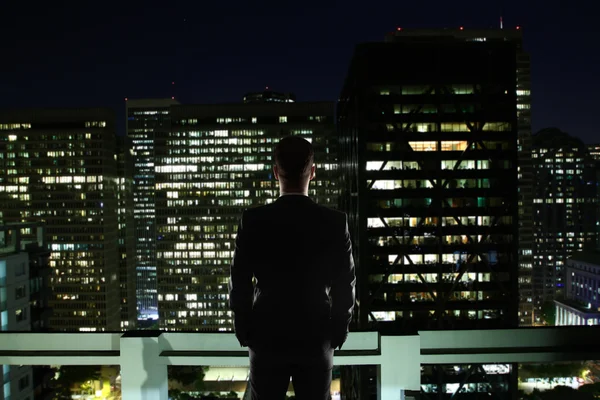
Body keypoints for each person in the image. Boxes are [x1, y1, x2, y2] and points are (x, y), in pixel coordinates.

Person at [228, 135, 356, 400]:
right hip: (316, 335)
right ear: (313, 172)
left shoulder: (253, 221)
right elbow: (345, 284)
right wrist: (338, 331)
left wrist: (244, 329)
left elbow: (239, 280)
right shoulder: (334, 222)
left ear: (275, 172)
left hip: (266, 336)